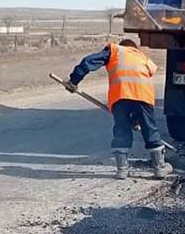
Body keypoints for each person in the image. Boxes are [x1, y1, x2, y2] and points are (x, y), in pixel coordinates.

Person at [66, 39, 172, 180]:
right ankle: (159, 168)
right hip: (143, 96)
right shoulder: (143, 57)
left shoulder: (115, 50)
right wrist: (137, 119)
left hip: (120, 96)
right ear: (134, 48)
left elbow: (88, 61)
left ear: (123, 46)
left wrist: (74, 81)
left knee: (121, 129)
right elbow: (142, 78)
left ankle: (122, 170)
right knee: (150, 129)